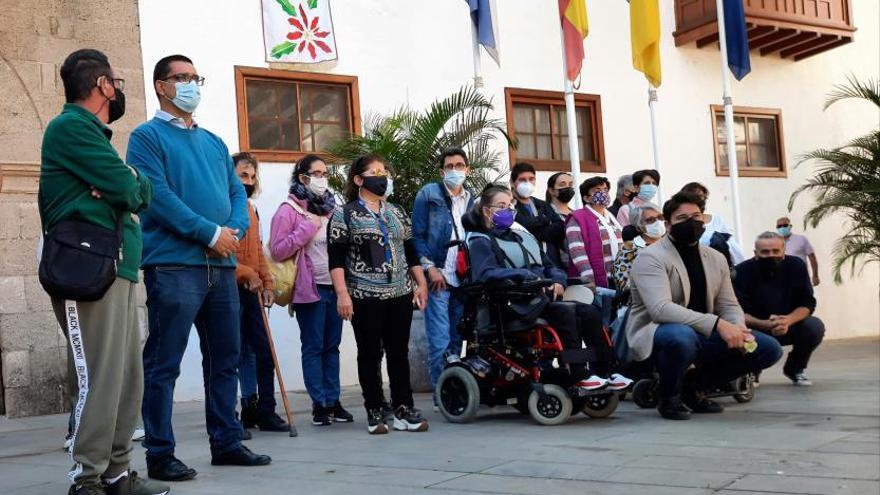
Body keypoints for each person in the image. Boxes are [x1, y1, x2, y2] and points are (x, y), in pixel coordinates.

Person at [127, 54, 271, 482]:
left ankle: (226, 442)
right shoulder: (146, 137)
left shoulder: (212, 142)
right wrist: (210, 233)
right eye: (181, 77)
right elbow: (159, 197)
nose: (191, 84)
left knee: (225, 358)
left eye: (195, 77)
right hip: (174, 265)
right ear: (161, 86)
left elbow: (237, 196)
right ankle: (159, 453)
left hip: (221, 267)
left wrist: (231, 232)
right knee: (164, 362)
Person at [39, 49, 168, 495]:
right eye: (116, 81)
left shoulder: (95, 135)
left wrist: (124, 180)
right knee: (97, 376)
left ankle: (116, 472)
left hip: (114, 267)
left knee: (125, 378)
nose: (119, 89)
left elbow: (132, 187)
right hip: (84, 268)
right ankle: (87, 477)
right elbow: (130, 190)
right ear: (103, 86)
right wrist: (124, 182)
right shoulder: (71, 127)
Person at [626, 191, 782, 420]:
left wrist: (739, 328)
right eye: (682, 218)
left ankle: (694, 387)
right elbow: (660, 309)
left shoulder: (716, 258)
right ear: (668, 225)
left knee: (768, 349)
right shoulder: (651, 257)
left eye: (696, 216)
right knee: (681, 336)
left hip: (704, 330)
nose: (691, 222)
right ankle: (668, 397)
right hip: (659, 330)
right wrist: (718, 324)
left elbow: (728, 303)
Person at [463, 186, 628, 391]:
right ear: (487, 210)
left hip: (542, 298)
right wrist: (526, 276)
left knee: (589, 312)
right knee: (565, 312)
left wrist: (558, 281)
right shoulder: (481, 241)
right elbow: (485, 274)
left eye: (510, 205)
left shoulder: (522, 237)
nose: (508, 211)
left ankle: (606, 371)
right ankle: (578, 373)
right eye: (501, 206)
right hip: (513, 303)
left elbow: (550, 266)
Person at [328, 155, 430, 435]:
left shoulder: (397, 212)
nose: (382, 176)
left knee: (399, 352)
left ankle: (403, 408)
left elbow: (410, 251)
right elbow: (335, 259)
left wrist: (420, 283)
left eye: (384, 171)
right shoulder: (345, 214)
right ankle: (374, 407)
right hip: (364, 294)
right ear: (359, 180)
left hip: (400, 293)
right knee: (370, 353)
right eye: (374, 172)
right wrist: (342, 294)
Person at [270, 154, 353, 426]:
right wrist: (306, 229)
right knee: (313, 346)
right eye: (316, 173)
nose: (322, 178)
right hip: (309, 288)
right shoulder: (288, 210)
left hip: (334, 286)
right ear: (302, 177)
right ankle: (319, 405)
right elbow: (278, 249)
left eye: (324, 173)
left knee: (332, 347)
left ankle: (334, 400)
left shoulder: (332, 209)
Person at [229, 152, 291, 435]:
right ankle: (240, 410)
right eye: (243, 175)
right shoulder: (223, 207)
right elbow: (222, 252)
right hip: (230, 288)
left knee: (262, 351)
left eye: (253, 177)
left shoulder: (252, 210)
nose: (249, 182)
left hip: (254, 290)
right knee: (232, 353)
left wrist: (266, 282)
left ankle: (266, 408)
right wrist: (245, 273)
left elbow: (259, 251)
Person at [411, 148, 474, 401]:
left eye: (460, 165)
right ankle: (441, 395)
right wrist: (429, 268)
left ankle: (454, 391)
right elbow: (416, 235)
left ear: (468, 170)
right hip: (439, 276)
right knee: (439, 339)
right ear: (442, 171)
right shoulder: (429, 194)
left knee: (457, 340)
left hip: (464, 278)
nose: (455, 170)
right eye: (450, 166)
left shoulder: (472, 200)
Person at [734, 232, 825, 386]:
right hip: (756, 328)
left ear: (783, 252)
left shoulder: (796, 266)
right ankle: (752, 371)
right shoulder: (741, 271)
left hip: (789, 324)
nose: (771, 255)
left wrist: (788, 321)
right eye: (765, 252)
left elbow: (807, 303)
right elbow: (736, 311)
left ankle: (795, 369)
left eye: (776, 251)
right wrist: (764, 324)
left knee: (814, 326)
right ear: (756, 253)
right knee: (738, 331)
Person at [565, 176, 623, 289]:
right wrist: (588, 279)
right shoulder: (577, 217)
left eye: (605, 190)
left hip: (618, 278)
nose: (603, 193)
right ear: (586, 198)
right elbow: (577, 251)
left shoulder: (611, 218)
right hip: (595, 282)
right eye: (597, 190)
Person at [510, 162, 567, 268]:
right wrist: (545, 222)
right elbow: (520, 226)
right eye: (522, 180)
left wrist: (537, 231)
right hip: (526, 265)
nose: (528, 183)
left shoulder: (542, 205)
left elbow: (560, 227)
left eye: (531, 179)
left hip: (553, 264)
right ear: (512, 183)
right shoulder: (509, 205)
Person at [680, 182, 746, 266]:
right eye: (695, 196)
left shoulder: (717, 220)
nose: (699, 200)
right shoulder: (681, 222)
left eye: (702, 197)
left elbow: (730, 244)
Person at [612, 203, 664, 293]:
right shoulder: (629, 250)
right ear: (639, 227)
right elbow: (624, 285)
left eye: (660, 217)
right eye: (650, 220)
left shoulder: (672, 245)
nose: (658, 222)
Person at [776, 217, 820, 286]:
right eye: (779, 226)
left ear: (790, 226)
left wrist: (815, 275)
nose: (782, 228)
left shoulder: (801, 239)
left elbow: (812, 258)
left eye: (785, 225)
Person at [545, 172, 576, 269]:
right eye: (562, 184)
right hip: (559, 267)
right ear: (551, 190)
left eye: (570, 184)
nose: (568, 187)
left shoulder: (576, 214)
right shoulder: (545, 215)